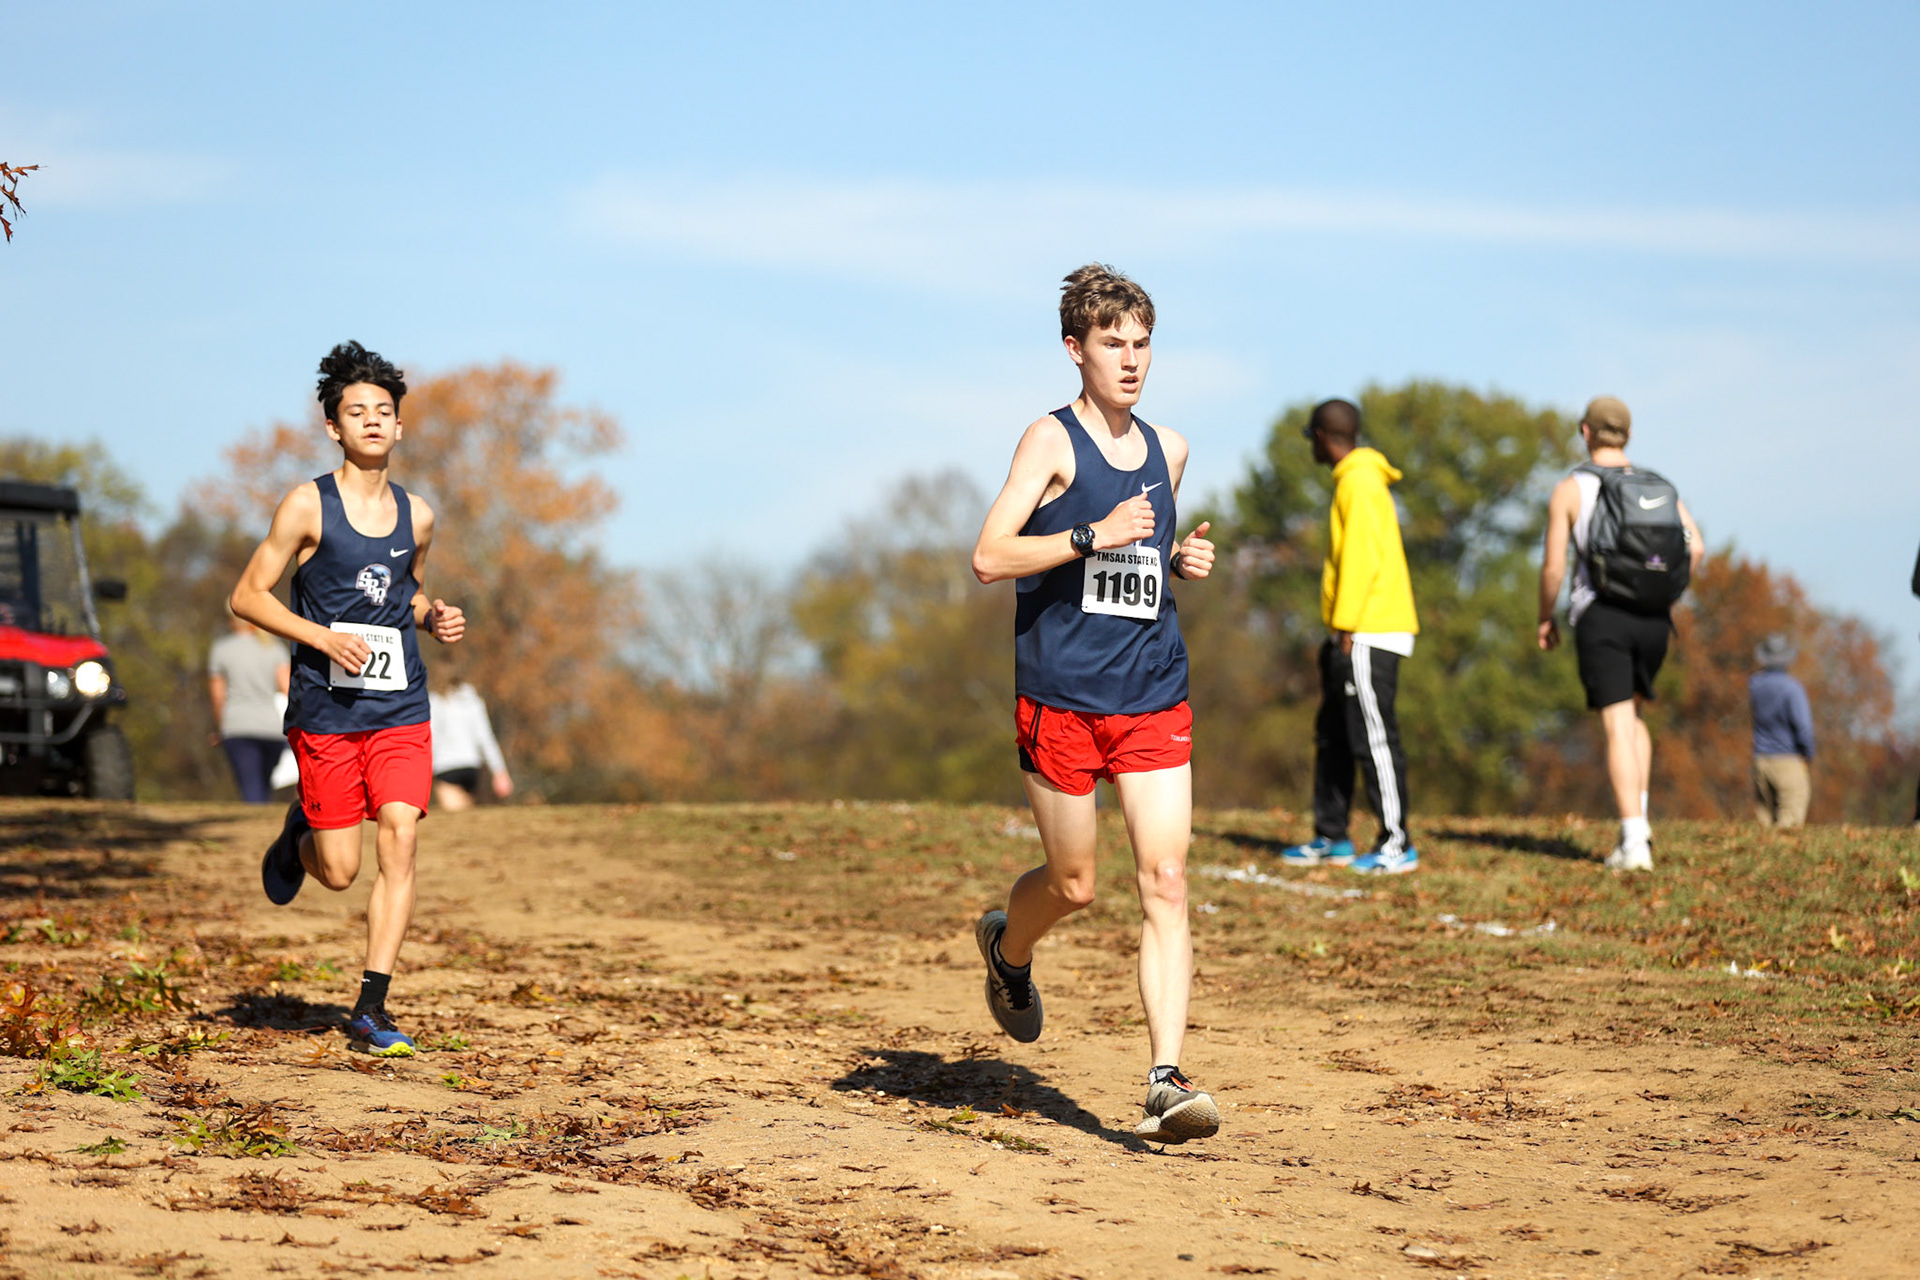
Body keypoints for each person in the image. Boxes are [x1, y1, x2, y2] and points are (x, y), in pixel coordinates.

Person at [969, 264, 1220, 1143]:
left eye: (1142, 343)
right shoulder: (1049, 442)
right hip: (1062, 698)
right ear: (1074, 349)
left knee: (1166, 879)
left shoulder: (1170, 449)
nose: (1131, 360)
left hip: (1151, 689)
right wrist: (1088, 536)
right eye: (1113, 343)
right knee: (1075, 885)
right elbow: (990, 557)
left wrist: (1176, 562)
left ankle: (1164, 1076)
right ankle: (1008, 949)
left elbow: (1136, 565)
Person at [230, 340, 466, 1058]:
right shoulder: (307, 504)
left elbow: (408, 592)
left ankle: (370, 1008)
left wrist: (432, 615)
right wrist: (322, 639)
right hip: (326, 710)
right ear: (333, 426)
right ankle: (298, 832)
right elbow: (245, 596)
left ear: (399, 426)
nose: (371, 421)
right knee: (339, 871)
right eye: (356, 411)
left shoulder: (418, 515)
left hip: (399, 707)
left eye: (383, 411)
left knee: (401, 833)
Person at [1536, 396, 1703, 871]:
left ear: (1585, 432)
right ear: (1627, 435)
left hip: (1603, 615)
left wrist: (1545, 617)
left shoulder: (1572, 489)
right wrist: (1664, 592)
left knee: (1615, 723)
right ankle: (1640, 826)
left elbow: (1553, 568)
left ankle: (1632, 842)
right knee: (1633, 716)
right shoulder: (1658, 485)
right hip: (1655, 618)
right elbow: (1698, 547)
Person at [1279, 399, 1420, 874]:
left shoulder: (1359, 481)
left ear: (1322, 436)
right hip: (1354, 628)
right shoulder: (1355, 478)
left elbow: (1360, 559)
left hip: (1367, 630)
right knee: (1335, 734)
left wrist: (1345, 625)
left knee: (1374, 737)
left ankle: (1396, 843)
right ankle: (1332, 835)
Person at [208, 613, 291, 803]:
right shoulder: (274, 648)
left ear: (233, 621)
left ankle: (259, 830)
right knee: (263, 786)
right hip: (272, 728)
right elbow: (288, 690)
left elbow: (218, 696)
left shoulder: (221, 650)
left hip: (238, 727)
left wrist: (220, 728)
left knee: (251, 790)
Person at [1749, 634, 1813, 828]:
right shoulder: (1792, 688)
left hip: (1760, 759)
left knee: (1765, 822)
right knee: (1789, 824)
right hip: (1788, 759)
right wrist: (1808, 753)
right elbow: (1803, 727)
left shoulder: (1755, 685)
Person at [429, 673, 512, 811]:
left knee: (456, 822)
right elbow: (485, 737)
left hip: (445, 767)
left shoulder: (434, 701)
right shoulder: (473, 700)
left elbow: (431, 737)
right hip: (471, 767)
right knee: (467, 817)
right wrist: (500, 771)